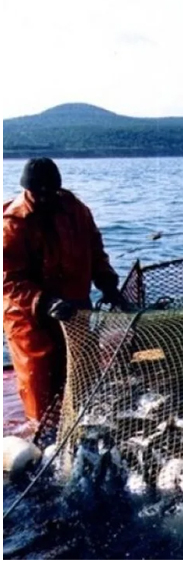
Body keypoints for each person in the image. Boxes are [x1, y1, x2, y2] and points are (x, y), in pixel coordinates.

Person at [3, 158, 125, 424]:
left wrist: (107, 282)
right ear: (27, 189)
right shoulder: (12, 223)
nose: (45, 197)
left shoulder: (76, 210)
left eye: (50, 191)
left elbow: (95, 251)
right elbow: (8, 279)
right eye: (38, 192)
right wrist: (43, 301)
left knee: (82, 373)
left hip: (74, 309)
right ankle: (43, 431)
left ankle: (81, 424)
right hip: (29, 318)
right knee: (40, 382)